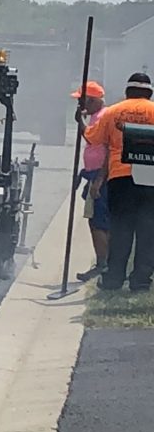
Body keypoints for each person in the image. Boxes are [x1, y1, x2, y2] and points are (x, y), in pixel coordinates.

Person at [83, 72, 154, 292]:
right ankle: (141, 281)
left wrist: (80, 118)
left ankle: (114, 278)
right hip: (150, 179)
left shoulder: (112, 112)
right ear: (149, 93)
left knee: (121, 229)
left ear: (127, 92)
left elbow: (93, 138)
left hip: (120, 178)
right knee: (148, 231)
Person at [71, 80, 109, 281]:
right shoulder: (97, 116)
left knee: (98, 221)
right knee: (97, 219)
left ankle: (103, 263)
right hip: (93, 174)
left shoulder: (101, 118)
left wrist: (98, 181)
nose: (80, 105)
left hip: (100, 178)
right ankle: (104, 262)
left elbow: (94, 140)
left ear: (92, 100)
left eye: (82, 101)